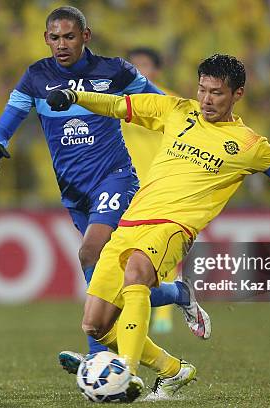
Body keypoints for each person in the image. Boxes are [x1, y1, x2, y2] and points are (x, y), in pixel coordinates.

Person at [46, 53, 270, 401]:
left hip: (173, 228)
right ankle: (173, 370)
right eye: (202, 90)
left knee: (137, 273)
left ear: (237, 94)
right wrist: (75, 97)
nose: (206, 100)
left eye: (216, 93)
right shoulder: (177, 111)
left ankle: (127, 372)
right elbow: (117, 105)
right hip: (130, 222)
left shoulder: (249, 145)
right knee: (96, 325)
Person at [0, 6, 210, 375]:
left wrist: (198, 135)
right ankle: (175, 294)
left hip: (115, 178)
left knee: (90, 252)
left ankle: (97, 352)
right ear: (45, 39)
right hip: (74, 191)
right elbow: (7, 121)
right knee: (110, 278)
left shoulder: (114, 71)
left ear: (85, 37)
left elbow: (161, 105)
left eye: (69, 36)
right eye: (54, 37)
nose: (61, 44)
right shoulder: (36, 77)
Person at [123, 47, 176, 334]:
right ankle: (130, 308)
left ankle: (164, 314)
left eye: (144, 65)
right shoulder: (117, 101)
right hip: (126, 185)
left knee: (161, 250)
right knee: (124, 252)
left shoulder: (168, 102)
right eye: (134, 65)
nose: (139, 70)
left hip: (159, 185)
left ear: (156, 71)